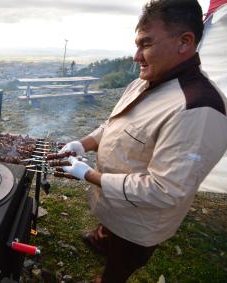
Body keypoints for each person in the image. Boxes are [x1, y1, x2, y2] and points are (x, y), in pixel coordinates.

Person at [60, 0, 227, 282]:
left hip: (139, 223)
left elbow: (164, 190)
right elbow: (115, 126)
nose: (136, 56)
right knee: (110, 230)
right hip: (114, 204)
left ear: (185, 42)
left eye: (146, 44)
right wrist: (83, 143)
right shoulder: (145, 80)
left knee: (121, 265)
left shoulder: (199, 108)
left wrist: (89, 174)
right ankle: (103, 237)